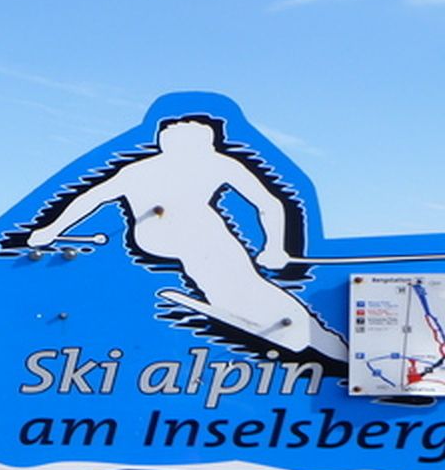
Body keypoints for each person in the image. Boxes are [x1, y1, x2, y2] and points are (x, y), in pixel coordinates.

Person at [25, 118, 346, 361]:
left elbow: (269, 203)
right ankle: (296, 327)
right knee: (218, 251)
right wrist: (50, 229)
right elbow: (91, 198)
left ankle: (307, 332)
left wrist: (275, 246)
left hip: (165, 234)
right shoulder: (154, 169)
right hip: (170, 230)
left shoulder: (204, 163)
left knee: (227, 265)